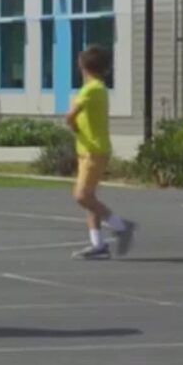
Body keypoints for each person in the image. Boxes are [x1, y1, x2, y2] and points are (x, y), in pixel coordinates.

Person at [66, 46, 135, 260]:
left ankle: (120, 225)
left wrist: (74, 126)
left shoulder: (90, 90)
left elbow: (70, 116)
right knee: (90, 198)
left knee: (82, 196)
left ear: (82, 65)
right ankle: (98, 244)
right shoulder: (98, 88)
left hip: (94, 150)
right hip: (89, 149)